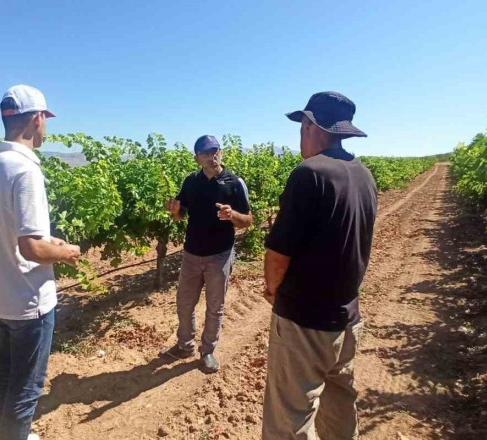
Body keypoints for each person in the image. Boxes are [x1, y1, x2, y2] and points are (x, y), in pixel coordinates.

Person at [261, 92, 377, 440]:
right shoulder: (364, 176)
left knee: (289, 419)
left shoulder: (308, 174)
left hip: (305, 320)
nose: (300, 133)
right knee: (339, 403)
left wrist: (272, 291)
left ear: (312, 126)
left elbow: (278, 255)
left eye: (302, 125)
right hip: (346, 318)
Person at [0, 85, 81, 440]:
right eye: (45, 120)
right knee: (27, 388)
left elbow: (8, 228)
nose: (46, 127)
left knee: (6, 376)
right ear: (36, 119)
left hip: (0, 296)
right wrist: (66, 252)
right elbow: (31, 248)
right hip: (28, 300)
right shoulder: (25, 170)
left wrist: (50, 241)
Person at [161, 135, 253, 373]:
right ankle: (184, 344)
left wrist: (233, 215)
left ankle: (208, 351)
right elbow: (180, 215)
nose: (211, 156)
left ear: (220, 153)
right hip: (191, 253)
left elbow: (248, 221)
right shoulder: (191, 182)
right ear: (196, 158)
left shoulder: (234, 182)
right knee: (184, 303)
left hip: (219, 256)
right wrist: (174, 211)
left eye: (214, 151)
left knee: (215, 306)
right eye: (204, 152)